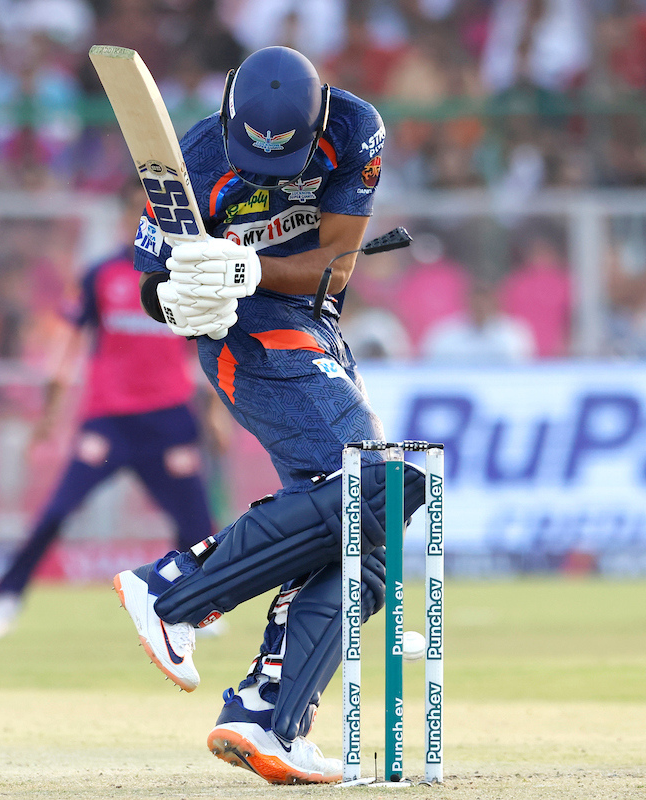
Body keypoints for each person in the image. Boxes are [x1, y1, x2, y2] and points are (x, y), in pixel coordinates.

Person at [114, 46, 425, 784]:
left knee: (366, 544)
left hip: (313, 322)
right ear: (230, 114)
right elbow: (152, 284)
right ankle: (176, 592)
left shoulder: (354, 129)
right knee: (379, 485)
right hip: (243, 335)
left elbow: (339, 261)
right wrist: (179, 298)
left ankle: (267, 717)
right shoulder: (192, 155)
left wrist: (249, 263)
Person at [0, 184, 216, 641]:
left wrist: (217, 412)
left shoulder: (183, 276)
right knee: (59, 509)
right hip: (109, 421)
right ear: (126, 221)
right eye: (138, 216)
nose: (147, 224)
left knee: (196, 523)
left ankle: (196, 609)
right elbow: (68, 343)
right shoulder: (101, 276)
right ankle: (6, 600)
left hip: (168, 418)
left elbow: (209, 345)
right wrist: (49, 413)